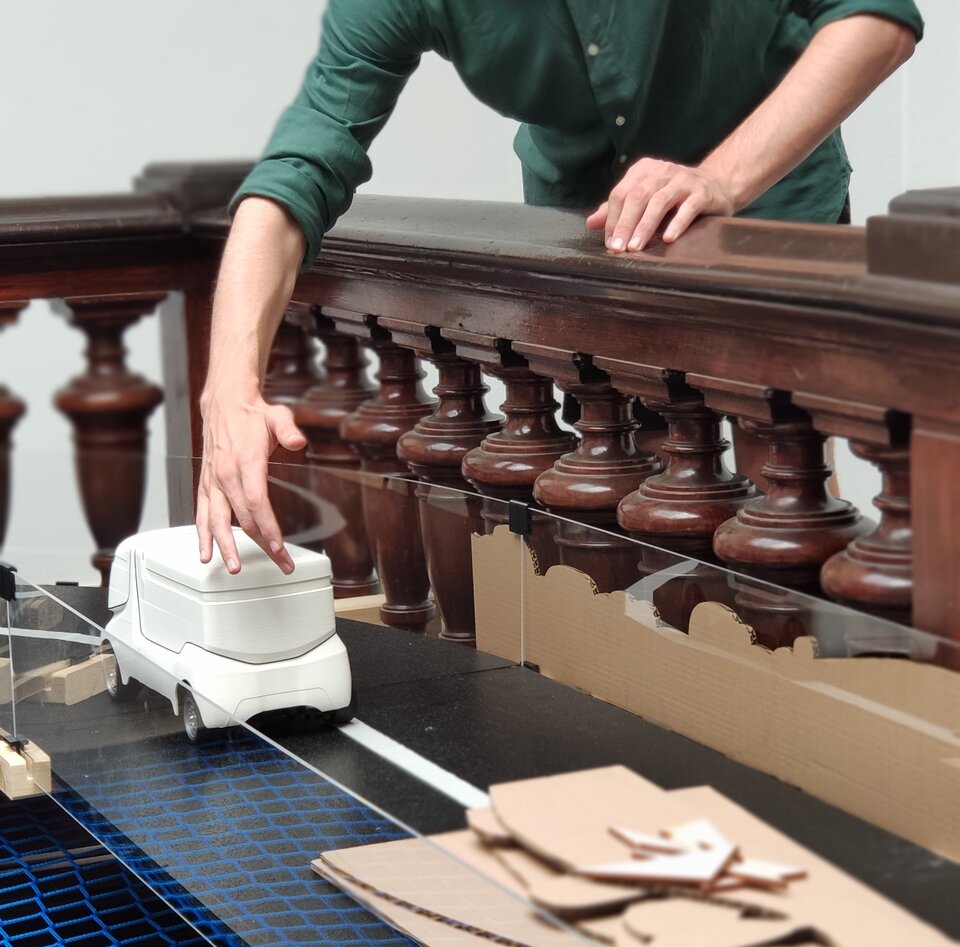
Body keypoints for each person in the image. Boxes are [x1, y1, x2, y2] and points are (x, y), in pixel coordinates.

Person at [197, 0, 922, 574]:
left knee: (782, 489)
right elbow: (303, 161)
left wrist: (720, 177)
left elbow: (876, 17)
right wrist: (228, 391)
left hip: (765, 204)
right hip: (589, 238)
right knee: (629, 482)